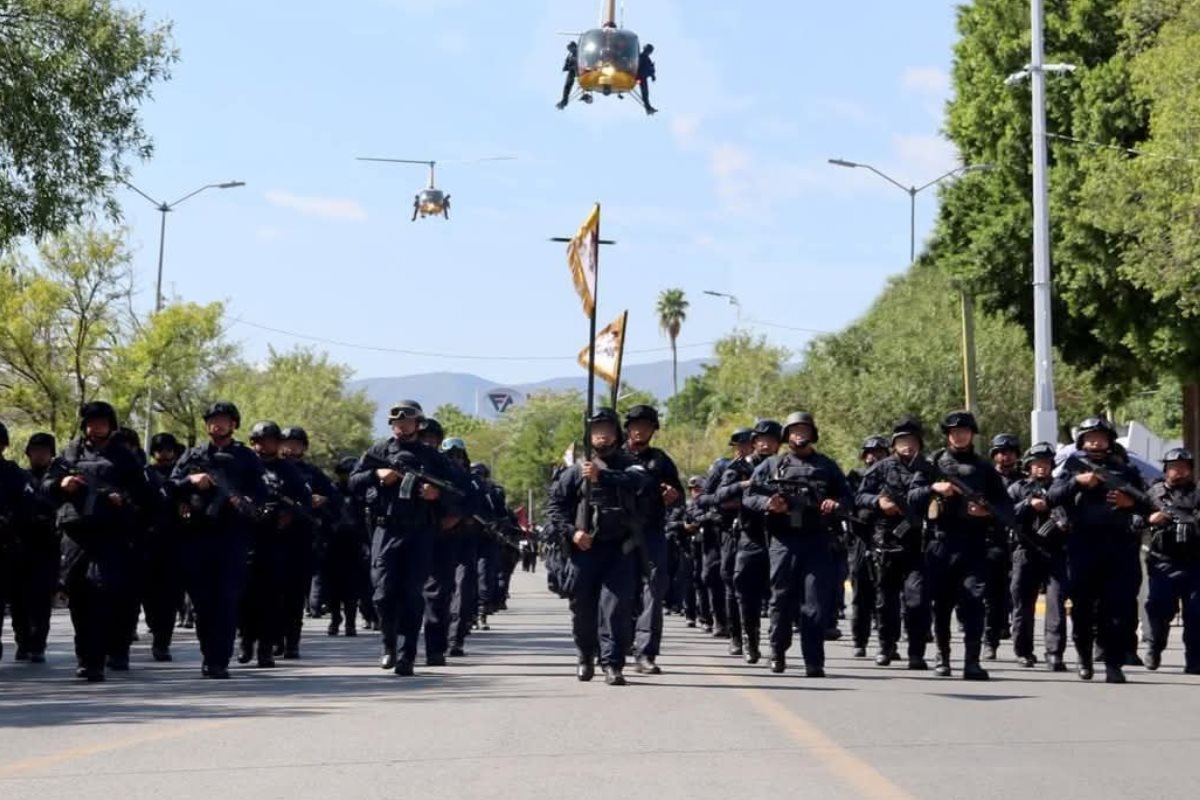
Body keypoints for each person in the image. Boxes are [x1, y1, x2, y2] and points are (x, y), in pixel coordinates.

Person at [349, 400, 461, 676]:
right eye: (396, 422)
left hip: (419, 531)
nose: (401, 427)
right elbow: (352, 482)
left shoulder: (432, 457)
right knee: (383, 594)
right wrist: (377, 475)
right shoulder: (379, 451)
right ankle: (388, 645)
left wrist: (437, 495)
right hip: (386, 529)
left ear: (417, 424)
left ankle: (406, 654)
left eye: (406, 422)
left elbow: (459, 492)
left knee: (412, 594)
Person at [546, 407, 653, 686]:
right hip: (584, 550)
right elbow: (555, 508)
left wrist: (602, 476)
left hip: (620, 549)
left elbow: (640, 483)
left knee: (616, 608)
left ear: (617, 434)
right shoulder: (573, 472)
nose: (602, 436)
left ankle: (612, 663)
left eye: (607, 430)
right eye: (596, 431)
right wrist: (572, 533)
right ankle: (585, 655)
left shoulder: (629, 464)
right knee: (583, 608)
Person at [44, 402, 151, 681]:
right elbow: (45, 487)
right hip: (76, 534)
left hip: (110, 535)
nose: (96, 426)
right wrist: (61, 485)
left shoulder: (124, 458)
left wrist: (122, 501)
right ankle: (86, 657)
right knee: (78, 595)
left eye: (102, 421)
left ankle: (99, 658)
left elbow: (145, 496)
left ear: (111, 425)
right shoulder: (69, 453)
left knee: (104, 595)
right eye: (91, 422)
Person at [910, 410, 1014, 680]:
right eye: (955, 432)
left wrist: (987, 512)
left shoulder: (984, 469)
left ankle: (972, 661)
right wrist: (935, 489)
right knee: (941, 605)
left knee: (974, 603)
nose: (960, 436)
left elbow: (1006, 507)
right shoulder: (933, 463)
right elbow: (911, 498)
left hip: (974, 544)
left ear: (972, 435)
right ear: (948, 435)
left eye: (965, 432)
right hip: (941, 543)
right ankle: (942, 657)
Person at [744, 412, 850, 677]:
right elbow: (750, 495)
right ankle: (777, 651)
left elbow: (849, 497)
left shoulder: (827, 465)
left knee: (814, 603)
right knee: (781, 599)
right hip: (784, 540)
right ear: (787, 436)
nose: (799, 434)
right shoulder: (772, 464)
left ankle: (814, 661)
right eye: (794, 430)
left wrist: (835, 504)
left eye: (804, 429)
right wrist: (769, 504)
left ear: (812, 433)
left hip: (816, 539)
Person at [171, 401, 267, 679]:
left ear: (234, 424)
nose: (218, 424)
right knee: (202, 601)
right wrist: (191, 481)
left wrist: (243, 502)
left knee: (226, 599)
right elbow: (169, 487)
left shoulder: (246, 457)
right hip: (198, 535)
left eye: (224, 419)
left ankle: (219, 659)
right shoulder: (193, 455)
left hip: (232, 537)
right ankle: (208, 652)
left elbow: (261, 493)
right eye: (213, 419)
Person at [1051, 417, 1148, 683]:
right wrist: (1077, 483)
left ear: (1109, 441)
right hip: (1082, 546)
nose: (1096, 442)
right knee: (1082, 609)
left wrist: (1130, 503)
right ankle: (1084, 658)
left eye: (1101, 438)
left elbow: (1148, 505)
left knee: (1116, 609)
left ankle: (1113, 663)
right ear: (1081, 441)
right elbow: (1052, 497)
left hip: (1118, 546)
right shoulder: (1071, 469)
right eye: (1090, 438)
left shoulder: (1126, 471)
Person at [855, 417, 932, 670]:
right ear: (894, 445)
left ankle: (916, 653)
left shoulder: (929, 468)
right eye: (901, 441)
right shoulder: (882, 468)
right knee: (885, 600)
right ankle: (886, 646)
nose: (907, 446)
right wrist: (879, 503)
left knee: (917, 600)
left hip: (918, 543)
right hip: (887, 541)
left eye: (911, 441)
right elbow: (860, 497)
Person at [624, 404, 683, 675]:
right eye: (636, 425)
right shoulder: (614, 457)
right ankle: (617, 643)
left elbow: (678, 495)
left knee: (653, 592)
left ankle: (645, 652)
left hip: (652, 532)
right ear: (626, 429)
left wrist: (672, 495)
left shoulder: (661, 460)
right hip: (619, 533)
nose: (640, 430)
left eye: (646, 426)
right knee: (620, 592)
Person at [718, 420, 781, 663]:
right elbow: (719, 495)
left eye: (771, 441)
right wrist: (743, 487)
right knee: (745, 591)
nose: (765, 445)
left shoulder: (784, 466)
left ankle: (776, 644)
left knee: (780, 593)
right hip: (748, 535)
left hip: (780, 536)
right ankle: (748, 640)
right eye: (760, 440)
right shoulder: (738, 467)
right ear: (753, 443)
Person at [1008, 442, 1068, 671]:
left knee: (1056, 604)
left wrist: (1062, 523)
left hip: (1055, 552)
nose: (1041, 468)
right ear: (1028, 466)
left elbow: (1072, 513)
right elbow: (1004, 513)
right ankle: (1023, 651)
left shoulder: (1061, 488)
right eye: (1036, 464)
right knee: (1022, 604)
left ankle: (1054, 653)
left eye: (1045, 463)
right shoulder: (1018, 488)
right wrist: (1028, 504)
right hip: (1026, 551)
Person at [1142, 447, 1200, 674]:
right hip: (1162, 562)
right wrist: (1151, 519)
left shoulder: (1197, 494)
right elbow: (1135, 518)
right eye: (1175, 468)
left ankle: (1195, 661)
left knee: (1196, 615)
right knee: (1159, 610)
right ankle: (1154, 648)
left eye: (1184, 468)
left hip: (1195, 563)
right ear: (1166, 470)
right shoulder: (1153, 494)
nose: (1180, 473)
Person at [9, 432, 56, 663]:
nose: (39, 455)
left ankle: (38, 643)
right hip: (19, 545)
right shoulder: (19, 477)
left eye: (44, 451)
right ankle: (23, 640)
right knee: (18, 600)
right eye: (35, 451)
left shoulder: (58, 481)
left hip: (47, 546)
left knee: (41, 599)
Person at [845, 436, 888, 657]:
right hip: (861, 539)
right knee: (861, 594)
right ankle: (859, 641)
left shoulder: (893, 478)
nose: (875, 456)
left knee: (886, 594)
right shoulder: (855, 478)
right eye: (871, 452)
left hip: (887, 538)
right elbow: (848, 503)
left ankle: (886, 644)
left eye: (880, 452)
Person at [143, 432, 183, 662]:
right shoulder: (146, 474)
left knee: (170, 596)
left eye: (168, 449)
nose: (164, 454)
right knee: (149, 595)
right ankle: (155, 627)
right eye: (160, 450)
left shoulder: (181, 475)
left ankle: (162, 641)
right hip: (149, 541)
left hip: (175, 541)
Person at [0, 422, 35, 664]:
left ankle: (25, 641)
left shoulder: (14, 473)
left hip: (7, 546)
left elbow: (28, 507)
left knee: (17, 601)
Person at [983, 433, 1021, 659]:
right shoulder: (987, 479)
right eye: (1000, 453)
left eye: (1009, 453)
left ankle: (1019, 642)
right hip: (993, 541)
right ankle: (990, 640)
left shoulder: (1024, 481)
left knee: (1015, 594)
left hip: (1020, 543)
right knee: (992, 595)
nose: (1004, 457)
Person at [556, 41, 578, 109]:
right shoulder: (569, 56)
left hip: (583, 69)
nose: (570, 50)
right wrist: (568, 67)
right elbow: (566, 66)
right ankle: (564, 100)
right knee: (567, 85)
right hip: (573, 71)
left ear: (574, 47)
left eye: (571, 48)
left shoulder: (581, 53)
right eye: (569, 49)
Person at [637, 43, 658, 115]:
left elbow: (650, 69)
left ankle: (648, 108)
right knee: (645, 94)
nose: (648, 52)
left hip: (641, 78)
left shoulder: (646, 59)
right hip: (638, 77)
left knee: (645, 94)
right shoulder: (640, 57)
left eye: (649, 51)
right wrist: (652, 75)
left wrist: (652, 75)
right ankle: (648, 107)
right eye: (648, 51)